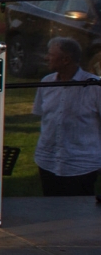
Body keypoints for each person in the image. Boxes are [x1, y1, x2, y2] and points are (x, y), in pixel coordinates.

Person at [31, 35, 101, 201]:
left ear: (66, 60)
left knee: (79, 211)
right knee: (51, 209)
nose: (46, 57)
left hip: (81, 166)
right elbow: (43, 116)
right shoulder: (46, 82)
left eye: (50, 54)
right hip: (47, 162)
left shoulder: (94, 86)